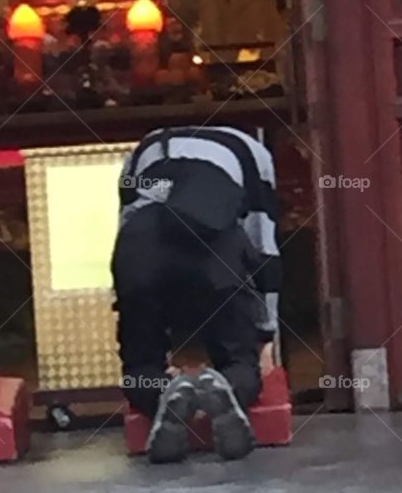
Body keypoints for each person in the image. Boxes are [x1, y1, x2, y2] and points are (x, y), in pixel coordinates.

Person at [112, 125, 281, 463]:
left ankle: (163, 395)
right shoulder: (251, 152)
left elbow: (127, 222)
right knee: (240, 360)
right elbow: (263, 245)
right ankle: (227, 388)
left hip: (140, 245)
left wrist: (126, 305)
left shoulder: (143, 149)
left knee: (141, 364)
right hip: (214, 247)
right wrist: (265, 332)